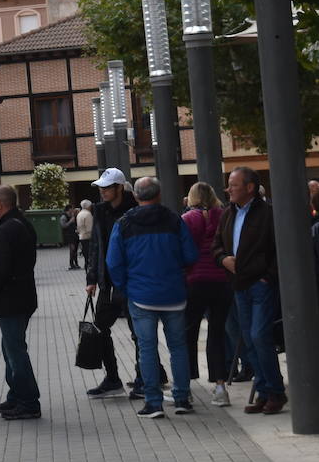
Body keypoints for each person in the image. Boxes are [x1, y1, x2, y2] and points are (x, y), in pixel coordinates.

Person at [107, 177, 198, 418]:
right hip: (174, 293)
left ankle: (153, 402)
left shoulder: (124, 223)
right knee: (178, 347)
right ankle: (182, 398)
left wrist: (126, 287)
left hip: (140, 295)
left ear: (136, 196)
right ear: (159, 195)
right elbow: (190, 255)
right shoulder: (174, 221)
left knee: (146, 348)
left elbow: (113, 262)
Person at [213, 166, 286, 415]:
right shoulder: (227, 214)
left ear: (249, 188)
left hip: (260, 285)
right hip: (238, 285)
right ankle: (264, 391)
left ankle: (276, 392)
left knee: (260, 336)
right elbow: (217, 244)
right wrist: (223, 258)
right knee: (248, 339)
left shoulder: (267, 214)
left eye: (233, 185)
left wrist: (268, 278)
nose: (228, 189)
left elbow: (280, 248)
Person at [0, 185, 41, 421]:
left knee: (15, 351)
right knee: (10, 349)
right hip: (23, 295)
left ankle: (28, 401)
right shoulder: (23, 224)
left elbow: (1, 267)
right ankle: (16, 396)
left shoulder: (7, 229)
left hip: (11, 298)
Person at [85, 168, 140, 399]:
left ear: (119, 187)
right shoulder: (99, 211)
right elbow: (95, 245)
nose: (103, 191)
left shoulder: (134, 210)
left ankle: (145, 376)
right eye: (101, 187)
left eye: (107, 187)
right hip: (107, 281)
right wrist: (91, 279)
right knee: (100, 328)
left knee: (138, 332)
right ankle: (112, 378)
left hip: (130, 281)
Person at [182, 183, 231, 407]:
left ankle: (187, 386)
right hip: (221, 280)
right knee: (217, 333)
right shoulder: (224, 216)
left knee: (188, 333)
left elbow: (183, 250)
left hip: (195, 281)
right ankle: (220, 387)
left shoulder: (188, 219)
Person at [61, 204, 81, 269]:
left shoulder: (72, 215)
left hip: (75, 235)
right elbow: (63, 226)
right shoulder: (64, 217)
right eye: (72, 208)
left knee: (75, 250)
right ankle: (71, 264)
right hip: (69, 235)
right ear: (69, 209)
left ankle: (76, 263)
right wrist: (70, 221)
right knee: (72, 249)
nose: (73, 209)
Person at [76, 199, 94, 266]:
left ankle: (87, 267)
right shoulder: (88, 214)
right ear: (88, 206)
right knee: (90, 256)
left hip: (81, 236)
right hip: (88, 237)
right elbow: (90, 228)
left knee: (86, 256)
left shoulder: (79, 214)